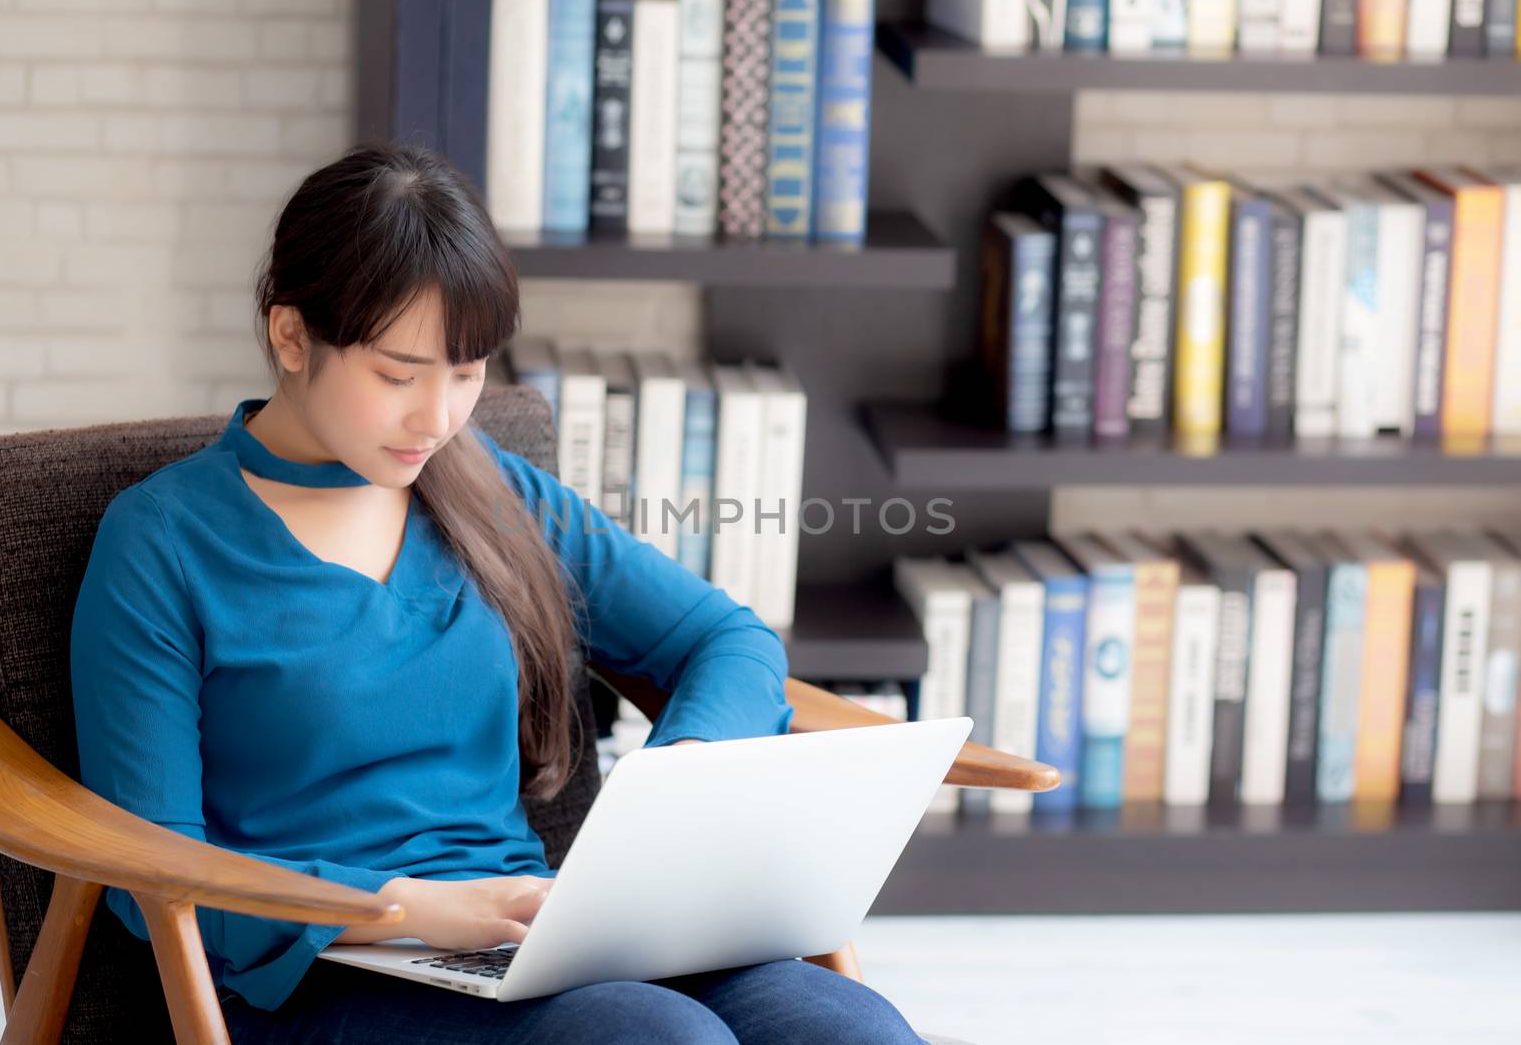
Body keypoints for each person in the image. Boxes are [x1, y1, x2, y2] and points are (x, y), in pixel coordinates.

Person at [68, 142, 925, 1043]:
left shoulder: (492, 493)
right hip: (320, 974)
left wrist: (673, 789)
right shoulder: (162, 542)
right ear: (292, 337)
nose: (437, 419)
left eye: (467, 372)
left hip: (537, 930)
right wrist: (407, 909)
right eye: (398, 375)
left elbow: (729, 638)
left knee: (849, 1029)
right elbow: (150, 870)